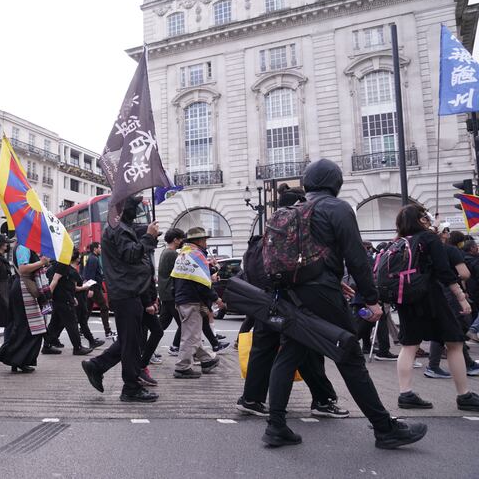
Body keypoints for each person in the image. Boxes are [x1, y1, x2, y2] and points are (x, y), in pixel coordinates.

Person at [263, 159, 426, 449]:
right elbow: (356, 257)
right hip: (323, 295)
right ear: (335, 183)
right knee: (350, 355)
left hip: (293, 293)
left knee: (289, 353)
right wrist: (372, 299)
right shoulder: (337, 208)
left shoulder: (296, 210)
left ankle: (276, 425)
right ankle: (384, 428)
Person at [237, 185, 347, 420]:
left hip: (266, 302)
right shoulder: (297, 236)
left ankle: (252, 399)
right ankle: (323, 399)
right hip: (293, 302)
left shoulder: (261, 239)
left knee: (263, 350)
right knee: (307, 351)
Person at [392, 206, 479, 411]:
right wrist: (461, 297)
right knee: (455, 342)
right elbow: (443, 271)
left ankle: (405, 394)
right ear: (421, 220)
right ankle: (464, 395)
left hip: (406, 297)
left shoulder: (399, 242)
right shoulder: (429, 239)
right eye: (426, 216)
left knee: (409, 345)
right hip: (430, 296)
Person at [81, 195, 159, 403]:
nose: (137, 214)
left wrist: (150, 237)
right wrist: (149, 237)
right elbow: (131, 254)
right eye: (134, 209)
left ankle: (97, 366)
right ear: (125, 211)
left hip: (129, 291)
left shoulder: (122, 228)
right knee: (131, 343)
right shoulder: (118, 229)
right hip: (126, 293)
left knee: (129, 341)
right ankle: (130, 387)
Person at [424, 231, 479, 378]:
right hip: (450, 291)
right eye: (445, 231)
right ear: (442, 235)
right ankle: (434, 366)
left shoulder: (424, 249)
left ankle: (466, 363)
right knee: (452, 326)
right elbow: (465, 274)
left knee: (448, 327)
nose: (447, 233)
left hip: (432, 292)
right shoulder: (450, 250)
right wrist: (455, 282)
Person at [171, 227, 220, 379]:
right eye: (204, 240)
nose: (206, 243)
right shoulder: (197, 255)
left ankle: (206, 360)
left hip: (182, 299)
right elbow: (201, 284)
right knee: (191, 336)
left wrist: (211, 268)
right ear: (199, 241)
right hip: (192, 300)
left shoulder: (183, 255)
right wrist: (216, 298)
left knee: (193, 333)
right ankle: (182, 367)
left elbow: (187, 277)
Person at [0, 243, 48, 373]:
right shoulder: (23, 247)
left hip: (23, 288)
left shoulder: (25, 246)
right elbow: (23, 269)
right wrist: (41, 262)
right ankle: (16, 359)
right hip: (24, 289)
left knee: (27, 327)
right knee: (28, 328)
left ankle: (17, 360)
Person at [44, 249, 94, 356]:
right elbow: (65, 284)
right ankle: (78, 347)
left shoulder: (54, 266)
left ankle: (46, 345)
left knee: (54, 324)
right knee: (72, 323)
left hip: (57, 299)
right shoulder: (65, 267)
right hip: (64, 300)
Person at [158, 228, 184, 356]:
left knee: (161, 325)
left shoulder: (165, 252)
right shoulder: (172, 254)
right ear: (175, 240)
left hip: (165, 293)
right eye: (180, 239)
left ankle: (146, 349)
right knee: (184, 323)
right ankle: (175, 347)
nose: (182, 241)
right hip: (171, 293)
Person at [83, 242, 114, 338]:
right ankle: (107, 331)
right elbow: (90, 274)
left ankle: (81, 330)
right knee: (104, 307)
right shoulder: (93, 259)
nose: (101, 249)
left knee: (88, 310)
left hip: (94, 287)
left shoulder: (93, 258)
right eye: (99, 248)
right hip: (95, 288)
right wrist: (91, 289)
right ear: (95, 249)